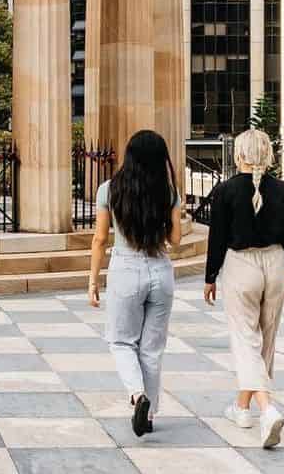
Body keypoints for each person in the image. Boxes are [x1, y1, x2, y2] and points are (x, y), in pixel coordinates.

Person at [204, 127, 284, 450]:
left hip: (241, 265)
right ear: (267, 155)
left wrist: (210, 276)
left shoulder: (226, 190)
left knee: (245, 341)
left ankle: (266, 408)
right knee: (265, 343)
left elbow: (216, 237)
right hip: (275, 262)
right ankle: (242, 408)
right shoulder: (282, 190)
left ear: (240, 154)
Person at [89, 129, 183, 438]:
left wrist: (92, 281)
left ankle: (137, 395)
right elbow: (176, 240)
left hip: (126, 269)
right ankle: (150, 414)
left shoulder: (110, 189)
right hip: (160, 269)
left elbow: (101, 239)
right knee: (152, 348)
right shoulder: (168, 191)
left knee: (120, 341)